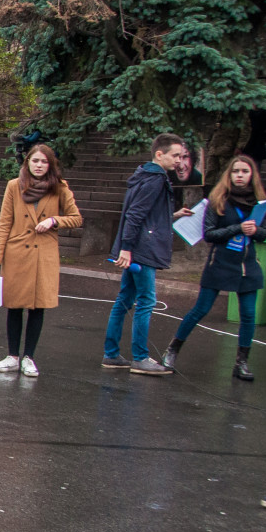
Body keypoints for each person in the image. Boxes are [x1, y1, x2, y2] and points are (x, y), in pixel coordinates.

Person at [161, 155, 266, 381]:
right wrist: (238, 228)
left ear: (252, 176)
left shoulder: (260, 202)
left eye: (245, 172)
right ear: (229, 175)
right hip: (220, 264)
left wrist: (255, 231)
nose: (240, 175)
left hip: (247, 266)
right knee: (201, 309)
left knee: (248, 315)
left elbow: (264, 232)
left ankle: (241, 363)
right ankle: (172, 350)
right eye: (236, 171)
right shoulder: (218, 200)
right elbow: (209, 235)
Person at [0, 144, 82, 377]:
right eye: (35, 161)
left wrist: (54, 221)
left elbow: (76, 218)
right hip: (17, 252)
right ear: (27, 162)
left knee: (38, 307)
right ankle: (12, 356)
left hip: (44, 255)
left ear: (50, 165)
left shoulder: (59, 188)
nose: (39, 165)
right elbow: (4, 224)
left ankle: (29, 357)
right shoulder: (14, 186)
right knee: (15, 305)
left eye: (44, 162)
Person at [105, 133, 190, 375]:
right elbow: (135, 214)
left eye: (182, 156)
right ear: (159, 154)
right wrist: (127, 247)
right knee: (145, 302)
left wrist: (173, 215)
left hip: (137, 248)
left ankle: (111, 354)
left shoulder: (145, 176)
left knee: (124, 300)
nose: (179, 161)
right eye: (175, 156)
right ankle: (140, 358)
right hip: (142, 251)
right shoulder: (155, 179)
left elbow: (144, 213)